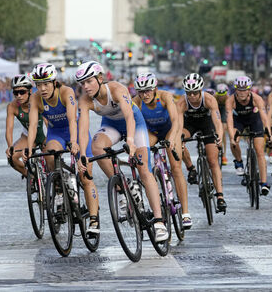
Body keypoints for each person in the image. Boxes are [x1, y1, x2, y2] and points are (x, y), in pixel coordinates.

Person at [76, 61, 168, 242]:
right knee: (96, 147)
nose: (85, 87)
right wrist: (82, 156)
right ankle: (121, 186)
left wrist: (132, 141)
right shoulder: (85, 101)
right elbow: (83, 129)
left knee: (144, 170)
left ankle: (159, 222)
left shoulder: (117, 89)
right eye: (82, 83)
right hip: (111, 125)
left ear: (100, 78)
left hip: (134, 122)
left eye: (89, 81)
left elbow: (129, 117)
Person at [27, 63, 99, 235]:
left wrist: (74, 142)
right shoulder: (36, 99)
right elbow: (32, 126)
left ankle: (94, 220)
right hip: (56, 133)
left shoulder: (66, 92)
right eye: (39, 85)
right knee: (50, 154)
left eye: (46, 84)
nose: (42, 88)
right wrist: (29, 150)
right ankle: (59, 189)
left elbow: (73, 120)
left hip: (75, 131)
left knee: (85, 176)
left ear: (54, 82)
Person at [133, 72, 192, 229]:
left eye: (147, 91)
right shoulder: (137, 102)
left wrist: (172, 138)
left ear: (155, 89)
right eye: (141, 91)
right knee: (144, 159)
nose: (144, 95)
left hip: (169, 130)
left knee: (176, 168)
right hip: (152, 132)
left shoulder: (165, 96)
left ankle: (185, 213)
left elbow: (175, 121)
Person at [177, 73, 227, 213]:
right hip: (189, 124)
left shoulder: (209, 99)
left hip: (207, 124)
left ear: (200, 91)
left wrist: (220, 136)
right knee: (178, 140)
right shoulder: (182, 102)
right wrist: (179, 139)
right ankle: (191, 168)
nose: (192, 96)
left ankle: (220, 196)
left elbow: (217, 121)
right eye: (189, 93)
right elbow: (179, 125)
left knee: (212, 161)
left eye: (195, 93)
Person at [226, 75, 272, 196]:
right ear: (235, 90)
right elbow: (230, 121)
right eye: (239, 90)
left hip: (254, 121)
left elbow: (264, 116)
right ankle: (239, 162)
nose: (242, 93)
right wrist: (232, 138)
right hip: (239, 121)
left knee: (259, 151)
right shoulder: (230, 101)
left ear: (249, 90)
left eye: (245, 89)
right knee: (234, 140)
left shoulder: (256, 98)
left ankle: (263, 183)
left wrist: (269, 132)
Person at [5, 74, 45, 177]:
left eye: (22, 92)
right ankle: (30, 176)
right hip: (27, 136)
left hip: (44, 135)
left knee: (50, 163)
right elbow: (9, 129)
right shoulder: (12, 106)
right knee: (12, 157)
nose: (19, 96)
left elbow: (48, 123)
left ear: (30, 91)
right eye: (15, 93)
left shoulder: (40, 101)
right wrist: (10, 146)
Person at [214, 83, 230, 167]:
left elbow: (228, 113)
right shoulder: (214, 97)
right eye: (219, 95)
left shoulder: (228, 98)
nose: (221, 97)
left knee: (223, 130)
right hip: (216, 109)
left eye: (222, 95)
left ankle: (224, 155)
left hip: (224, 109)